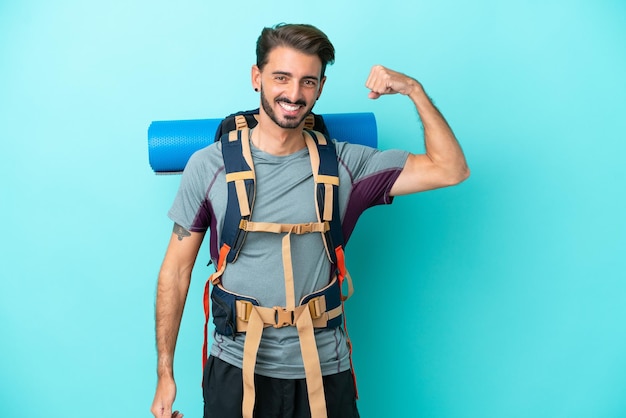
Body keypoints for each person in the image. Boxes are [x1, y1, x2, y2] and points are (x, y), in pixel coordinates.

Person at [150, 23, 469, 418]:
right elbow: (176, 271)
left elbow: (450, 169)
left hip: (323, 371)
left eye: (307, 81)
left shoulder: (347, 166)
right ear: (257, 78)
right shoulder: (209, 166)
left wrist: (413, 90)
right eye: (281, 78)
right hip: (235, 369)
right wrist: (165, 372)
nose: (294, 94)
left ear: (320, 87)